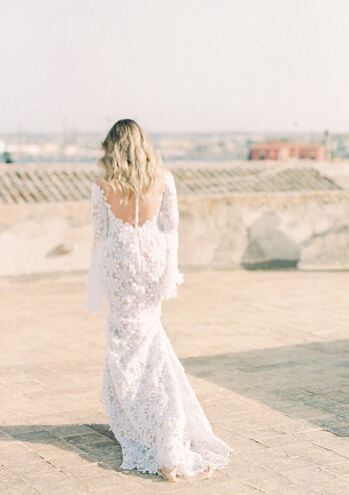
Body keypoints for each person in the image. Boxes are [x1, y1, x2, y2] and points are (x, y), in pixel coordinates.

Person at [86, 120, 231, 481]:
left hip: (120, 262)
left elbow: (100, 234)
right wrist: (167, 270)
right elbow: (171, 226)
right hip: (152, 259)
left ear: (112, 147)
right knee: (150, 337)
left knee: (123, 342)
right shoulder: (164, 179)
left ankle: (144, 422)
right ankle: (157, 419)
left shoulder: (103, 184)